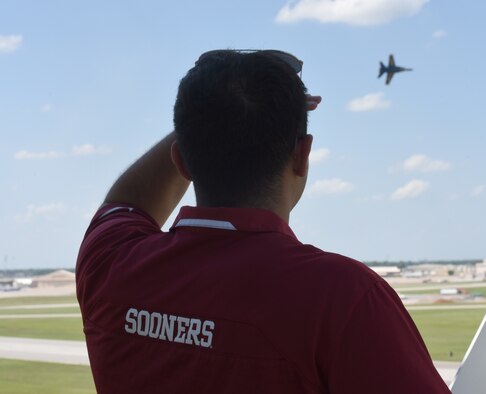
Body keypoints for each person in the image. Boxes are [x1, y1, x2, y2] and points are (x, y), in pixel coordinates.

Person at [76, 49, 451, 393]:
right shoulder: (342, 296)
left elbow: (125, 202)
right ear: (302, 155)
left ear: (182, 161)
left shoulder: (111, 263)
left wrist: (210, 118)